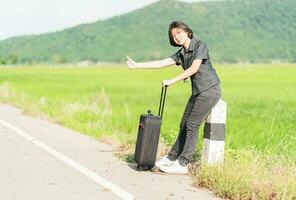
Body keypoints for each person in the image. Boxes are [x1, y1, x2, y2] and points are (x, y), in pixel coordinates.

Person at [126, 21, 221, 174]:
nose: (176, 37)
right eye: (173, 36)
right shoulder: (181, 54)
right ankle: (171, 158)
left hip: (210, 89)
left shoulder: (199, 45)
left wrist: (172, 81)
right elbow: (161, 63)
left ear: (187, 31)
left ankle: (183, 163)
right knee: (184, 124)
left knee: (192, 125)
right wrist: (137, 65)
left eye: (178, 33)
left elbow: (194, 68)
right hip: (198, 91)